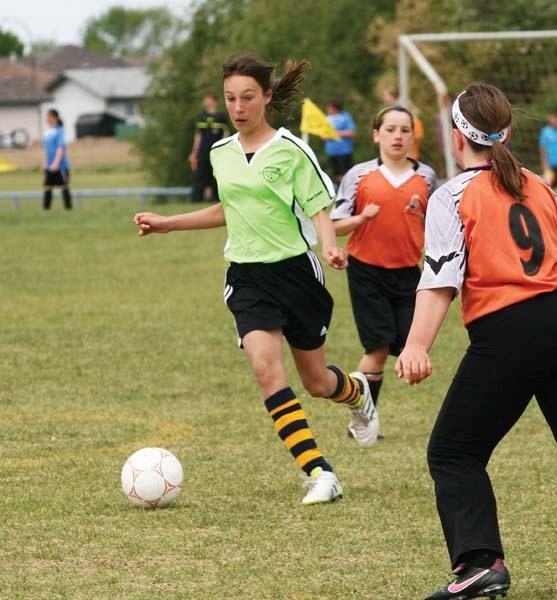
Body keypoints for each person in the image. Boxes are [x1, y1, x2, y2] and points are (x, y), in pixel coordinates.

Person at [395, 83, 557, 600]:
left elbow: (440, 280)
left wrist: (416, 344)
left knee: (453, 452)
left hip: (511, 330)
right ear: (508, 132)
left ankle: (479, 564)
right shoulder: (540, 185)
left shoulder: (450, 195)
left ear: (456, 138)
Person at [133, 51, 379, 505]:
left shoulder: (291, 150)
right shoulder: (220, 153)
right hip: (247, 276)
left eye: (247, 97)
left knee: (317, 383)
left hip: (296, 274)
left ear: (267, 97)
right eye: (230, 98)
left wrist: (328, 245)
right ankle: (320, 473)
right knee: (267, 371)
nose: (238, 107)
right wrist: (169, 222)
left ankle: (356, 392)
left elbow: (318, 209)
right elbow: (229, 209)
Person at [331, 105, 436, 435]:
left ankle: (361, 406)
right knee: (376, 349)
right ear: (376, 135)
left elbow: (438, 224)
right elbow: (335, 226)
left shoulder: (427, 178)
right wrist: (361, 218)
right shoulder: (359, 176)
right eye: (390, 129)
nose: (397, 136)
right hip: (366, 272)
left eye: (405, 130)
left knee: (412, 345)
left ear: (413, 136)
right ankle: (361, 418)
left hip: (408, 273)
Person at [188, 91, 231, 202]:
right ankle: (196, 200)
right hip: (202, 152)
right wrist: (194, 152)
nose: (206, 102)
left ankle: (217, 199)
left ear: (214, 101)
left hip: (217, 152)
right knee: (200, 176)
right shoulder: (201, 117)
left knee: (216, 176)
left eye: (208, 99)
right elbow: (198, 135)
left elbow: (226, 135)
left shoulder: (221, 117)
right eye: (205, 99)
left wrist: (224, 151)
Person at [381, 86, 425, 160]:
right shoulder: (389, 110)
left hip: (409, 152)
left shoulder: (400, 108)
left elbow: (418, 135)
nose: (384, 98)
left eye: (386, 95)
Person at [41, 109, 71, 210]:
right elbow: (46, 149)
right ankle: (46, 211)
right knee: (47, 187)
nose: (47, 119)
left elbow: (61, 148)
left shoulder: (59, 131)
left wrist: (56, 163)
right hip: (50, 166)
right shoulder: (47, 132)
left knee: (64, 187)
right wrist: (45, 163)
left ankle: (69, 210)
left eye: (49, 116)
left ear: (55, 118)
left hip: (60, 166)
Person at [324, 98, 356, 181]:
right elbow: (323, 135)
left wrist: (334, 134)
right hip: (332, 151)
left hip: (344, 151)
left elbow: (351, 132)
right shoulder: (327, 119)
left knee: (346, 174)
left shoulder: (345, 117)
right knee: (337, 174)